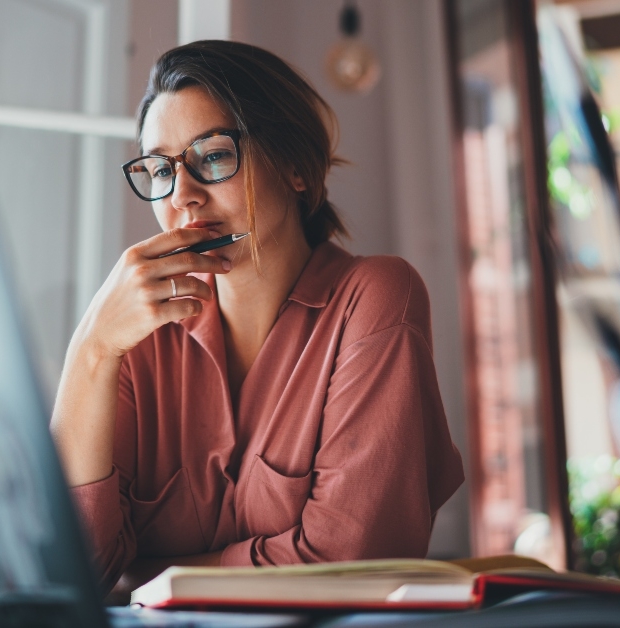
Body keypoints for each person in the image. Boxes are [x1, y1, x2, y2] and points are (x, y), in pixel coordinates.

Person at [51, 40, 464, 592]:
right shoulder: (136, 336)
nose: (184, 198)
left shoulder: (375, 297)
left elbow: (350, 561)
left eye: (214, 155)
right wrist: (92, 350)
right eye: (160, 170)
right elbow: (71, 573)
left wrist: (148, 577)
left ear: (294, 165)